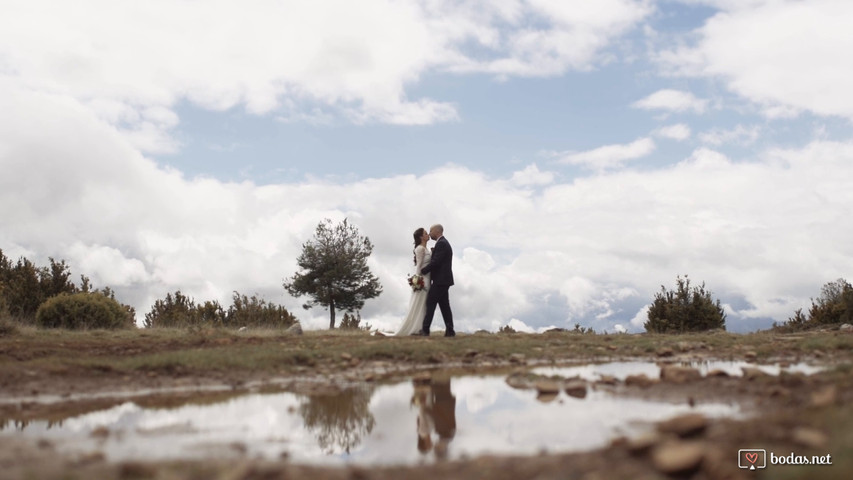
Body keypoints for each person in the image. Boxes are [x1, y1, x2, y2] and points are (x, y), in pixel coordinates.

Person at [415, 224, 454, 337]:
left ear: (437, 232)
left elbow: (436, 262)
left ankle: (425, 330)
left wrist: (424, 271)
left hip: (441, 280)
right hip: (444, 280)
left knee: (430, 302)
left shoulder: (442, 243)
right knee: (444, 305)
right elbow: (438, 259)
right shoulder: (442, 243)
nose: (430, 233)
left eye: (431, 231)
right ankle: (450, 331)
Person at [396, 227, 431, 336]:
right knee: (419, 303)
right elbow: (419, 266)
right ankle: (416, 329)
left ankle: (420, 328)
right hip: (423, 279)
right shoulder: (420, 249)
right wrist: (417, 281)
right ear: (421, 237)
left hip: (428, 279)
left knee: (424, 304)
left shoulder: (426, 249)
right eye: (425, 233)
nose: (428, 234)